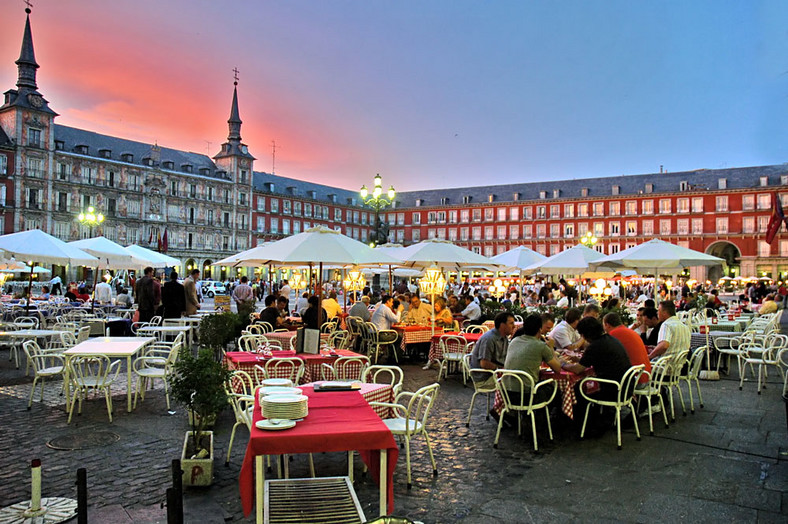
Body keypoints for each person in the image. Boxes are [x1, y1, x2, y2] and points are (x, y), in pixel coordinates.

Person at [563, 317, 633, 431]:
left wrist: (562, 364)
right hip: (626, 386)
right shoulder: (609, 339)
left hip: (613, 390)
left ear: (585, 334)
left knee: (578, 388)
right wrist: (578, 360)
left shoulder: (595, 346)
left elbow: (578, 369)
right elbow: (591, 360)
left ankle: (582, 424)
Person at [503, 314, 562, 403]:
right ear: (540, 329)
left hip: (506, 393)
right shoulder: (541, 346)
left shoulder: (514, 341)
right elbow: (558, 368)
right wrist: (551, 348)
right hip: (527, 395)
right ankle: (544, 416)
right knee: (556, 391)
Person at [603, 312, 651, 386]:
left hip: (634, 380)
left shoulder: (613, 335)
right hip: (646, 375)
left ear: (607, 325)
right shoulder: (629, 331)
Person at [468, 312, 516, 386]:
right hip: (484, 378)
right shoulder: (489, 339)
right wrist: (500, 369)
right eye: (511, 323)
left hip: (494, 374)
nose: (514, 326)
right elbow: (484, 364)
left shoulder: (504, 338)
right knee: (516, 384)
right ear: (502, 325)